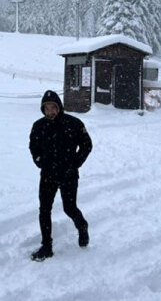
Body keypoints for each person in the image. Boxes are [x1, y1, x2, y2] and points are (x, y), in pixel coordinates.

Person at [28, 90, 93, 262]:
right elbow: (33, 146)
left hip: (68, 174)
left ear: (59, 107)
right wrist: (39, 160)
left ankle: (82, 226)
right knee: (44, 210)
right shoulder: (38, 126)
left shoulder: (73, 123)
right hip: (48, 174)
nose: (50, 111)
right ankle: (47, 246)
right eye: (47, 108)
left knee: (69, 208)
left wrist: (75, 164)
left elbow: (87, 145)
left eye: (53, 107)